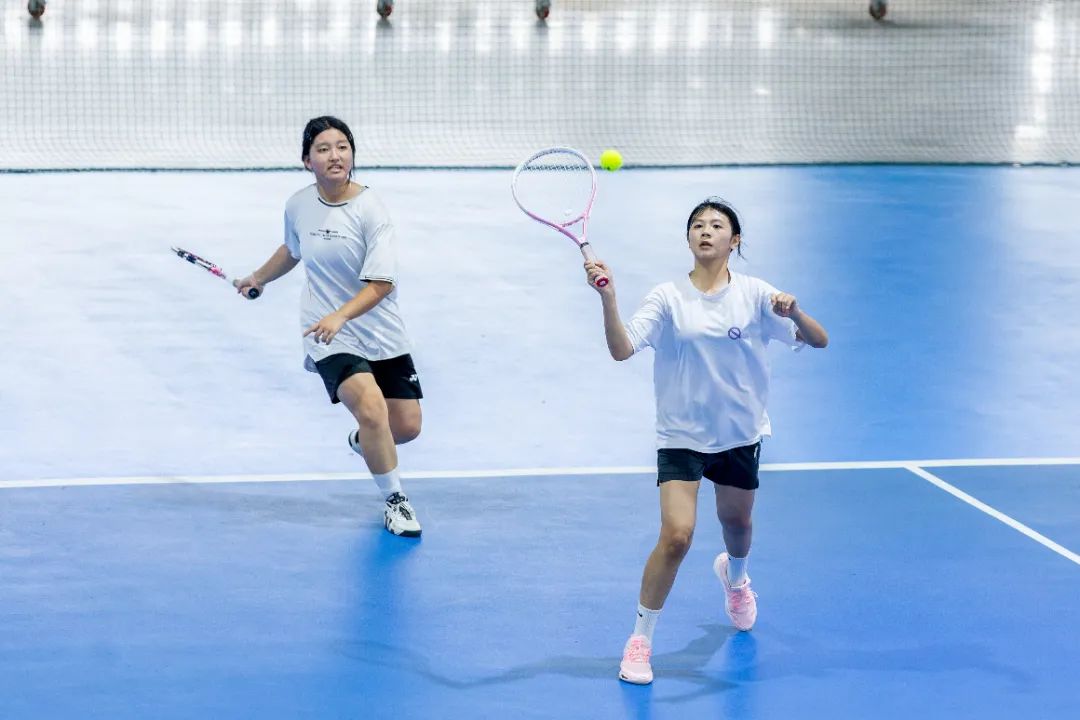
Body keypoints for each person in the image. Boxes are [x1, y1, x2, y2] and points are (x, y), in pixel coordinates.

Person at [584, 197, 829, 685]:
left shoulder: (757, 295)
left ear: (734, 240)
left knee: (737, 524)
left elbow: (818, 339)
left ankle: (735, 579)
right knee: (677, 535)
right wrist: (608, 298)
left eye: (717, 225)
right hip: (681, 434)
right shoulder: (668, 297)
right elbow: (622, 349)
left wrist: (796, 312)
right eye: (697, 225)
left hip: (739, 434)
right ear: (688, 238)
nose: (706, 231)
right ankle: (640, 639)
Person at [235, 115, 423, 538]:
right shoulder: (298, 205)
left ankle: (365, 441)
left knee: (406, 427)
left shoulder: (371, 209)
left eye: (342, 147)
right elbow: (293, 249)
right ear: (307, 161)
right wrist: (258, 278)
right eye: (323, 149)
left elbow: (382, 284)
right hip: (324, 330)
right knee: (372, 409)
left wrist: (343, 314)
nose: (335, 155)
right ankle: (396, 501)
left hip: (378, 327)